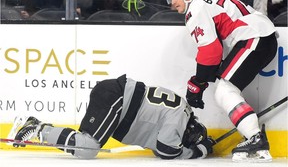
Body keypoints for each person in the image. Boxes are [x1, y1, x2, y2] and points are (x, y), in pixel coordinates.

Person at [165, 0, 278, 162]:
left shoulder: (196, 8)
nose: (172, 2)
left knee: (224, 91)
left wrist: (197, 83)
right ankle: (254, 137)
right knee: (225, 88)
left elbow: (211, 50)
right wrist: (201, 81)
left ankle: (255, 138)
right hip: (260, 37)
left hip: (253, 38)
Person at [12, 74, 214, 159]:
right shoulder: (181, 114)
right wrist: (199, 151)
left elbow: (160, 150)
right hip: (117, 98)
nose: (182, 141)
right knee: (87, 148)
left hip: (117, 97)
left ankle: (39, 128)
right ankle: (38, 128)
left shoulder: (179, 111)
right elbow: (168, 150)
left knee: (85, 144)